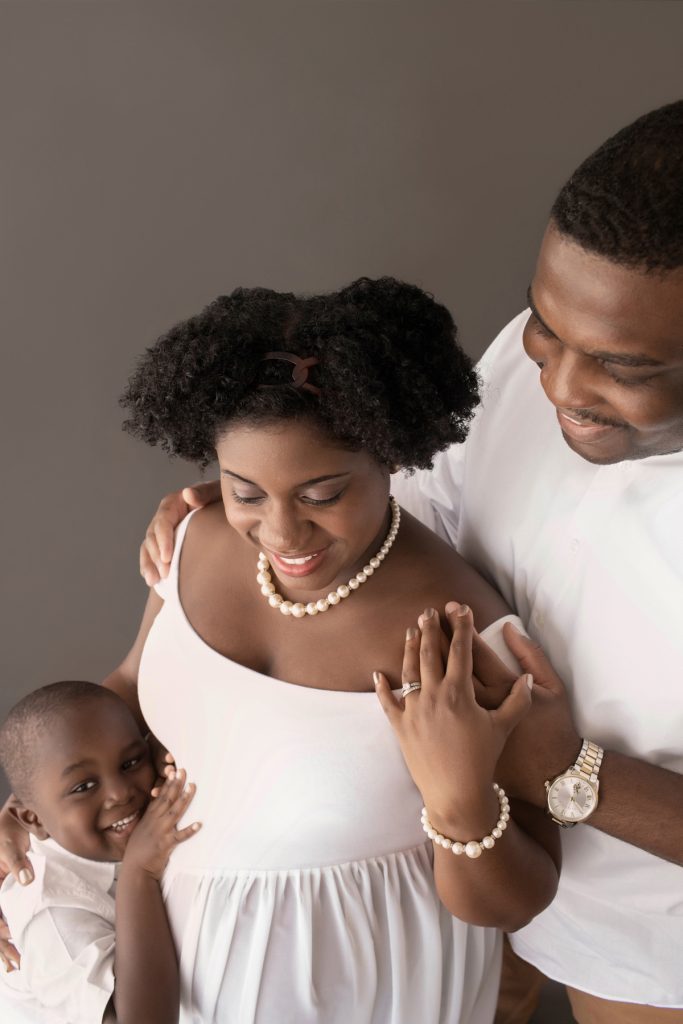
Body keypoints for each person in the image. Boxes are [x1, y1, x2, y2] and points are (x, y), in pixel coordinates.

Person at [133, 100, 683, 1023]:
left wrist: (567, 774)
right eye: (546, 327)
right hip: (451, 905)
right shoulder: (530, 357)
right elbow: (416, 504)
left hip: (643, 949)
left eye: (619, 367)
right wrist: (263, 507)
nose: (556, 381)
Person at [0, 278, 560, 1024]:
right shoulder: (190, 541)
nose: (283, 534)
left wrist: (459, 803)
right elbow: (129, 695)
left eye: (323, 493)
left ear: (391, 457)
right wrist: (34, 806)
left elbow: (519, 900)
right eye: (246, 491)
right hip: (171, 979)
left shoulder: (455, 633)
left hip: (362, 987)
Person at [0, 681, 200, 1024]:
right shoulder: (51, 915)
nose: (121, 793)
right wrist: (140, 872)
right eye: (83, 786)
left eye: (131, 762)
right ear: (32, 819)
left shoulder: (117, 837)